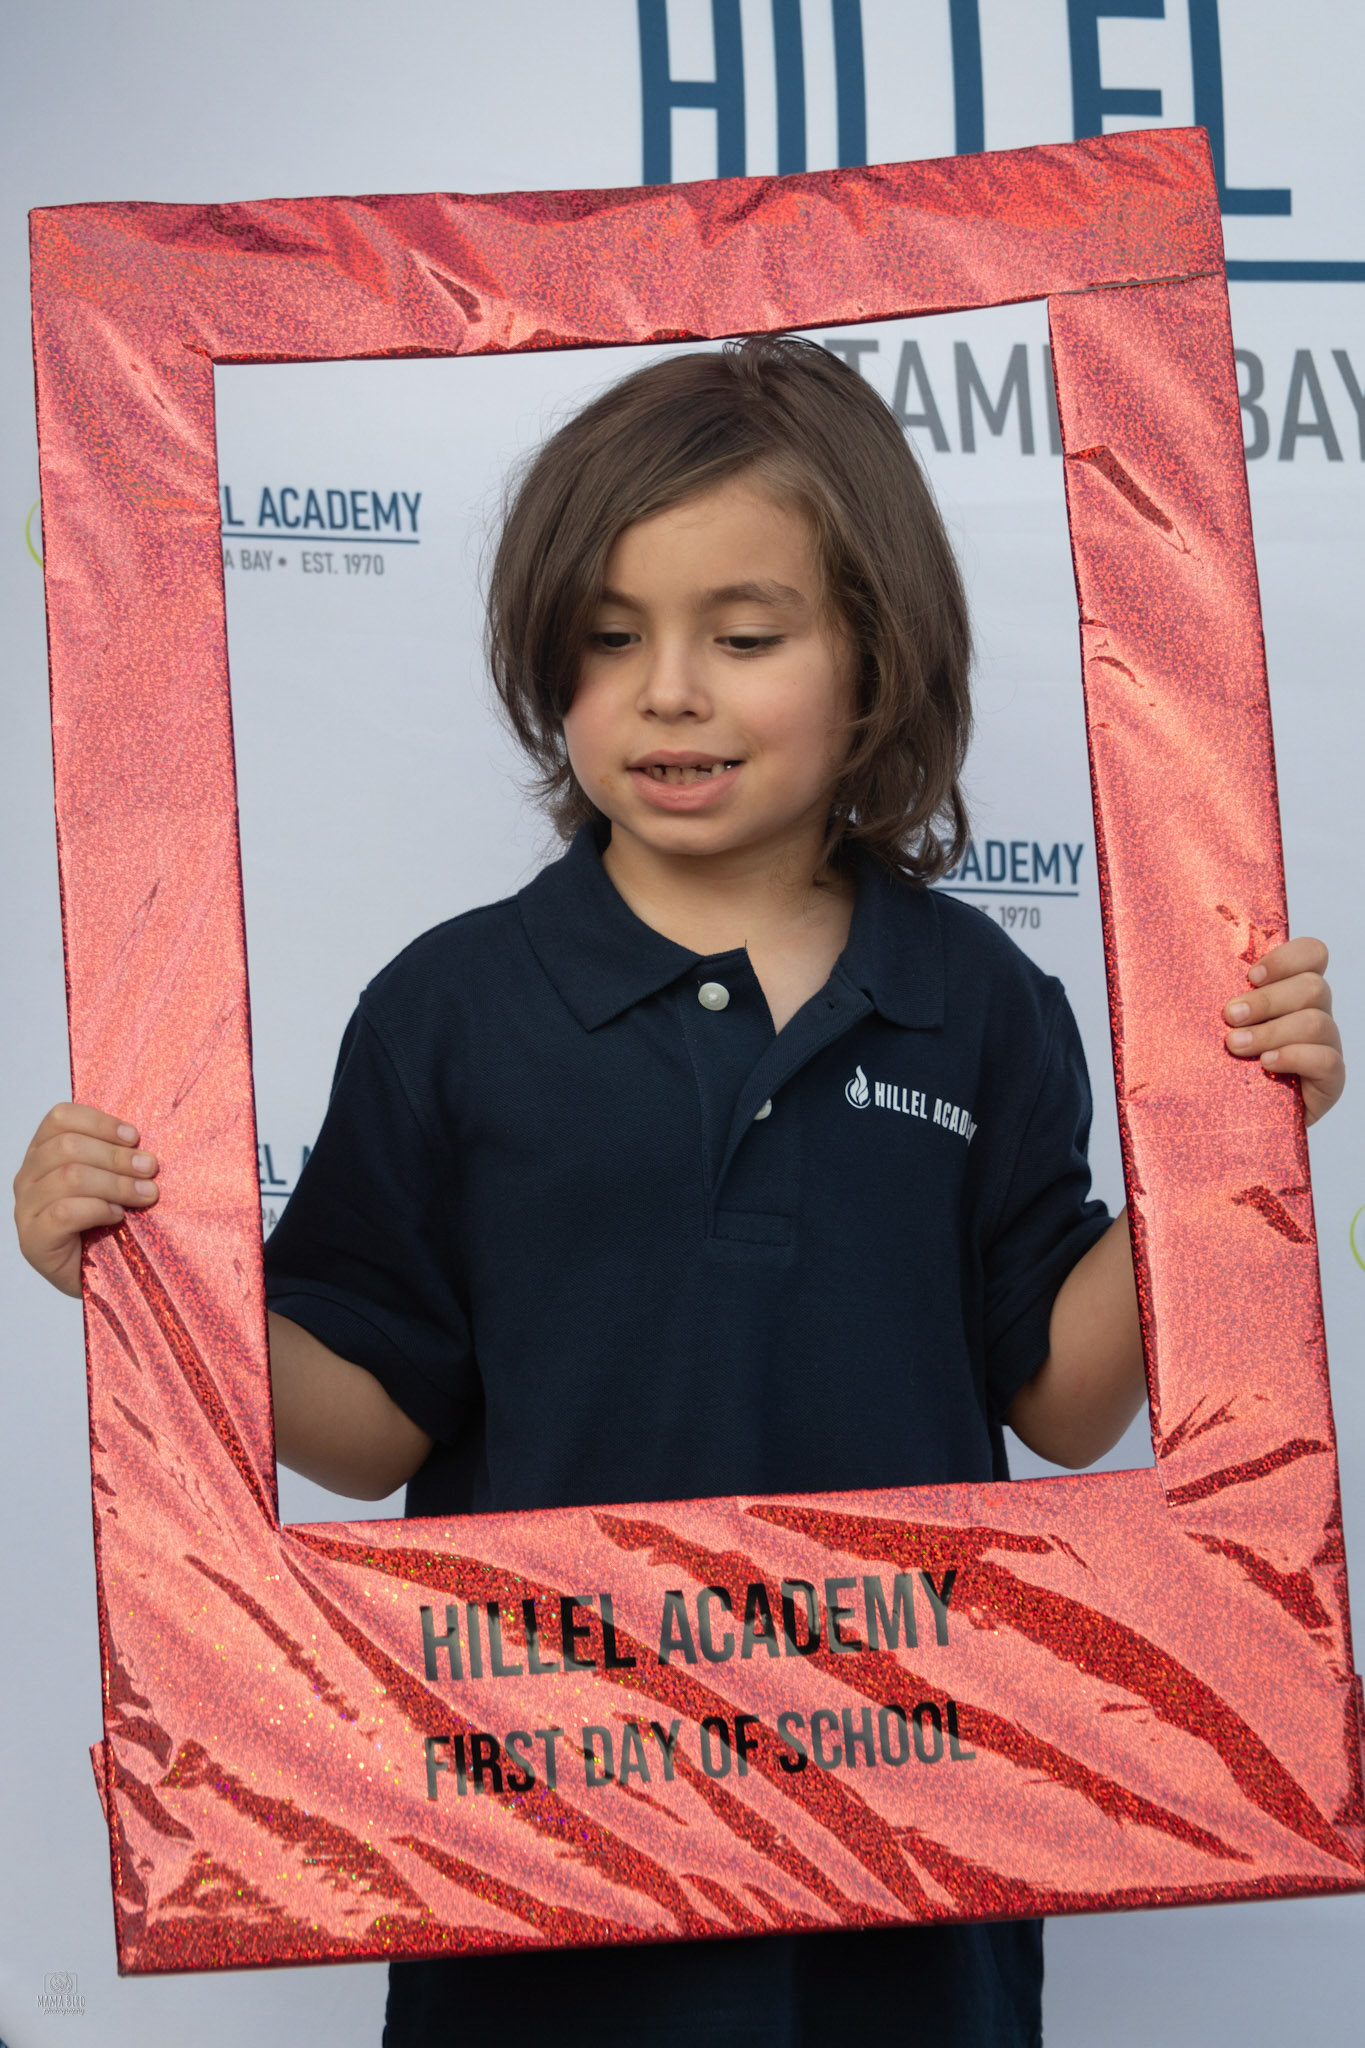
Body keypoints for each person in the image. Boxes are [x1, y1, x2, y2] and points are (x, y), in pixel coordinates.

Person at [14, 337, 1345, 2046]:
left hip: (907, 1853)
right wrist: (141, 1274)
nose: (669, 692)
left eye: (744, 636)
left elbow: (1068, 1402)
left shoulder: (983, 1003)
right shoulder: (449, 1009)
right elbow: (363, 1430)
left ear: (872, 659)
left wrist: (1227, 1145)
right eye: (608, 637)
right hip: (542, 1854)